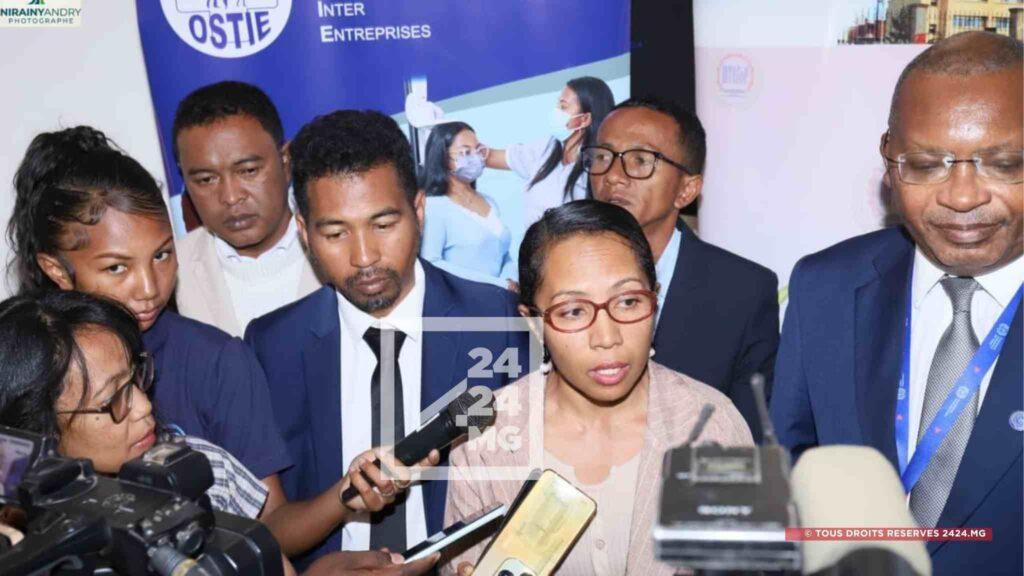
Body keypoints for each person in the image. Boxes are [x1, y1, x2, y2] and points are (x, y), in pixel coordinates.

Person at [6, 126, 414, 559]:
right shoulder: (17, 367)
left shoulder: (215, 362)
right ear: (56, 269)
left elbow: (265, 531)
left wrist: (340, 508)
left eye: (162, 255)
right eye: (116, 268)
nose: (149, 287)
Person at [769, 32, 1022, 576]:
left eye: (1003, 163)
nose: (962, 196)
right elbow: (789, 475)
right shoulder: (825, 289)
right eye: (927, 165)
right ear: (889, 159)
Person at [244, 110, 529, 567]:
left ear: (419, 210)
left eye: (383, 224)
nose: (364, 257)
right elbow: (268, 529)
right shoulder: (273, 346)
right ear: (303, 231)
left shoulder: (495, 322)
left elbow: (531, 486)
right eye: (335, 232)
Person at [0, 290, 439, 576]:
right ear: (37, 427)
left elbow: (275, 552)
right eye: (113, 399)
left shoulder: (193, 464)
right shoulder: (24, 547)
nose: (144, 406)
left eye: (137, 378)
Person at [443, 200, 753, 576]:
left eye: (628, 302)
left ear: (655, 298)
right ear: (532, 322)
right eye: (573, 311)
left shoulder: (712, 427)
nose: (607, 337)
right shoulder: (485, 438)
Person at [586, 96, 779, 442]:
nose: (613, 176)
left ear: (686, 190)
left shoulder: (742, 292)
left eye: (640, 160)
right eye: (602, 157)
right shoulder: (554, 276)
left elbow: (747, 439)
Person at [173, 81, 320, 337]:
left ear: (285, 162)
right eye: (206, 179)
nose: (231, 197)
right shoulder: (170, 274)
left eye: (249, 171)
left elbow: (388, 349)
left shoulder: (349, 251)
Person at [485, 76, 615, 226]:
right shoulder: (546, 148)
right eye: (558, 105)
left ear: (584, 119)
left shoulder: (599, 167)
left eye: (563, 107)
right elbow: (492, 157)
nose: (556, 112)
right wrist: (468, 147)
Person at [419, 121, 514, 287]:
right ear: (443, 157)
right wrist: (496, 284)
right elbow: (432, 262)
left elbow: (504, 254)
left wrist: (511, 280)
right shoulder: (433, 207)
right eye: (466, 152)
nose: (475, 157)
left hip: (504, 297)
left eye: (477, 150)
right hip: (466, 298)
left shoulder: (489, 201)